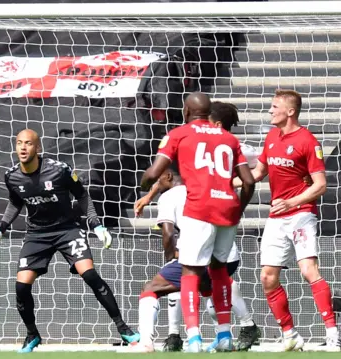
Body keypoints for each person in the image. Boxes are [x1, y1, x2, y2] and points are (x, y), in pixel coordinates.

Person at [0, 129, 140, 353]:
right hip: (37, 235)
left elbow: (82, 195)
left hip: (68, 231)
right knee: (21, 286)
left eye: (28, 143)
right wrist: (0, 229)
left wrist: (96, 225)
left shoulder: (58, 170)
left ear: (38, 148)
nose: (23, 148)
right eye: (19, 143)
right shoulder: (12, 175)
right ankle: (32, 335)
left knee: (90, 274)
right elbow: (16, 202)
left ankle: (124, 328)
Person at [129, 102, 260, 353]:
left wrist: (145, 187)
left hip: (200, 210)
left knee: (188, 274)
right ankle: (225, 335)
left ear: (186, 111)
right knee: (219, 274)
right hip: (227, 210)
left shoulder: (179, 134)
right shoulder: (229, 139)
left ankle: (193, 339)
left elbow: (156, 171)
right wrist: (238, 209)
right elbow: (249, 180)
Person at [233, 89, 338, 351]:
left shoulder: (308, 141)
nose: (269, 110)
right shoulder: (271, 137)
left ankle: (333, 334)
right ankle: (290, 334)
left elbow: (321, 185)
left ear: (290, 111)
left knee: (308, 270)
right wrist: (226, 184)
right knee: (267, 277)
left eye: (274, 106)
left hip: (301, 214)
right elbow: (258, 172)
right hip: (276, 216)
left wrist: (292, 201)